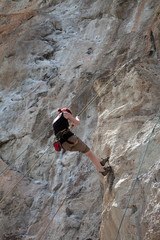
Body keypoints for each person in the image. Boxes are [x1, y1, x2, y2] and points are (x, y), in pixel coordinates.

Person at [52, 107, 111, 176]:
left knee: (86, 151)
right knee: (89, 153)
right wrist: (77, 118)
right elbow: (78, 123)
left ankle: (101, 161)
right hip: (72, 140)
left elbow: (62, 133)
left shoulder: (54, 121)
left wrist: (71, 126)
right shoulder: (65, 113)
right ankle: (102, 170)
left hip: (64, 145)